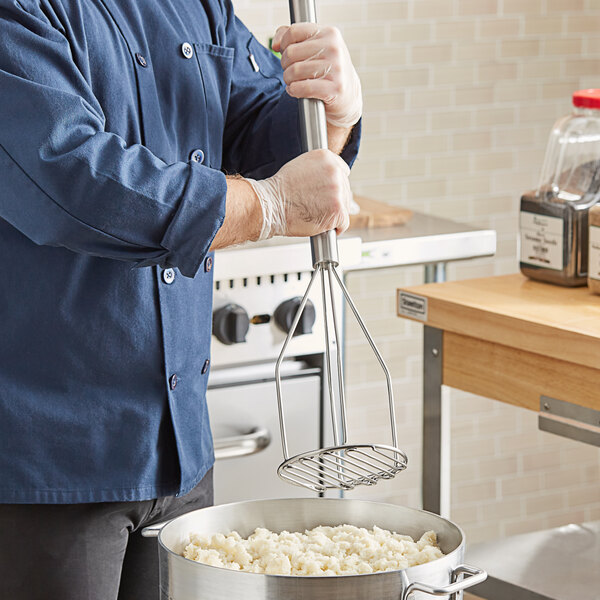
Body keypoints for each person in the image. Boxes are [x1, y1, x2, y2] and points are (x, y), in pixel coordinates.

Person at [0, 0, 362, 598]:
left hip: (179, 447)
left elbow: (258, 128)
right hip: (48, 465)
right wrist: (265, 205)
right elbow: (72, 179)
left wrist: (329, 110)